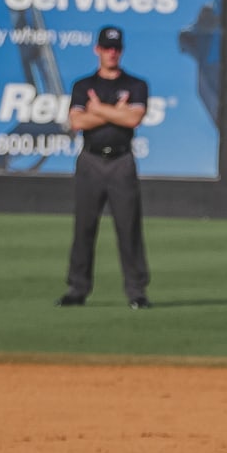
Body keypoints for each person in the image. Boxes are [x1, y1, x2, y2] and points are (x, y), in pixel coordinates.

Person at [56, 25, 152, 309]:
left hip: (121, 160)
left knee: (128, 227)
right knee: (84, 227)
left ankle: (137, 291)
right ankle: (77, 288)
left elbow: (133, 119)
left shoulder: (136, 84)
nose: (112, 53)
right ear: (97, 49)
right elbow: (76, 122)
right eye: (107, 48)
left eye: (116, 48)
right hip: (91, 160)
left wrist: (97, 109)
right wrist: (115, 113)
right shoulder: (83, 85)